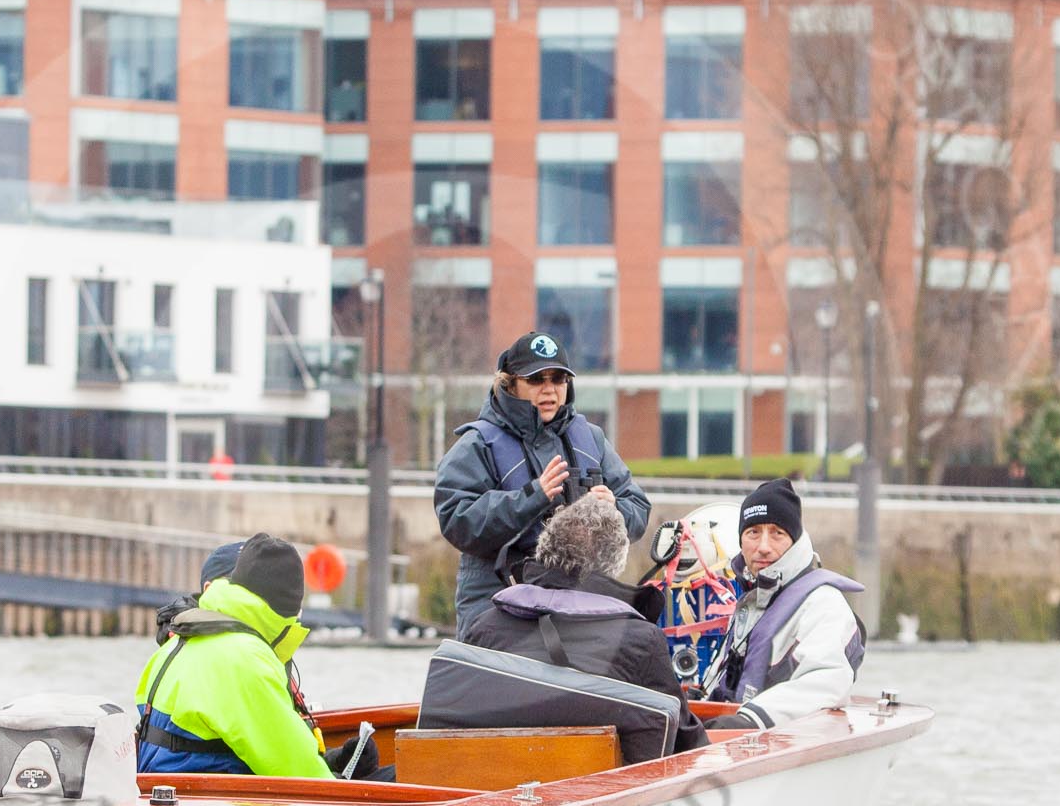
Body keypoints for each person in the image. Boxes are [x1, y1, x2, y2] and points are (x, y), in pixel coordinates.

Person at [434, 330, 651, 636]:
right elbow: (457, 519)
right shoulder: (477, 444)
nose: (549, 390)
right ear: (510, 384)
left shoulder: (591, 439)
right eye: (536, 380)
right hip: (497, 606)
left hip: (579, 604)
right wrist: (532, 496)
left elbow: (638, 506)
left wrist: (614, 511)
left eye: (558, 379)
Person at [462, 495, 709, 754]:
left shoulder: (484, 627)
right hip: (602, 787)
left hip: (496, 782)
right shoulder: (641, 641)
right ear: (615, 564)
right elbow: (686, 742)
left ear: (544, 549)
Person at [136, 534, 381, 779]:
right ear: (288, 610)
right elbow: (299, 772)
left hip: (171, 798)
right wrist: (340, 776)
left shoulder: (178, 642)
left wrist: (336, 761)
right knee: (391, 781)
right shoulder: (245, 659)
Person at [707, 479, 867, 730]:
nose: (763, 547)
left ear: (795, 540)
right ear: (741, 541)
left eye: (777, 533)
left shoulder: (823, 603)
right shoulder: (750, 602)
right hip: (737, 743)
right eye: (753, 532)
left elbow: (829, 680)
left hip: (782, 743)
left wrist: (751, 719)